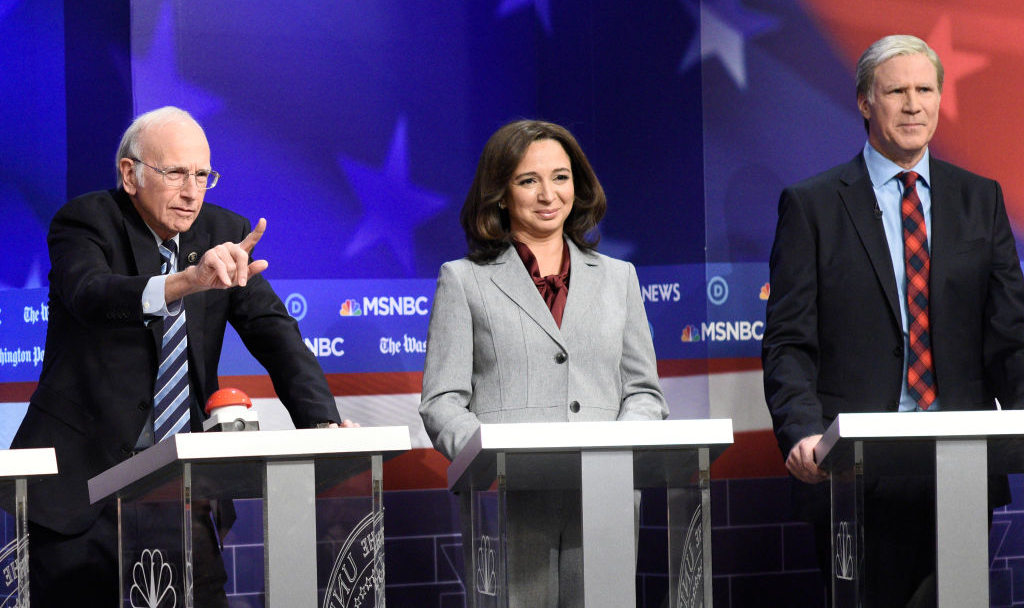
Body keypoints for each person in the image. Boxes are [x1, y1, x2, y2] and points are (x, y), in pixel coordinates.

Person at [12, 106, 354, 606]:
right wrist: (186, 284)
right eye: (176, 173)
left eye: (202, 175)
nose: (192, 191)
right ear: (130, 174)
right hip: (82, 492)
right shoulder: (85, 221)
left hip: (183, 490)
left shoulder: (224, 233)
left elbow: (275, 334)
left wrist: (323, 424)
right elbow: (92, 294)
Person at [762, 35, 1024, 605]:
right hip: (852, 475)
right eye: (896, 91)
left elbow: (1010, 334)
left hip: (959, 460)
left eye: (925, 89)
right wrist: (804, 432)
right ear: (864, 103)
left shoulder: (979, 198)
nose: (913, 105)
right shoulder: (812, 206)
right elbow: (788, 341)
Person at [419, 119, 668, 607]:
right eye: (528, 180)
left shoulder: (619, 279)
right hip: (507, 500)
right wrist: (488, 458)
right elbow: (442, 402)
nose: (547, 194)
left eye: (560, 176)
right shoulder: (464, 280)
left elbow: (644, 392)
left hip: (604, 495)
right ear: (500, 193)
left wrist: (617, 445)